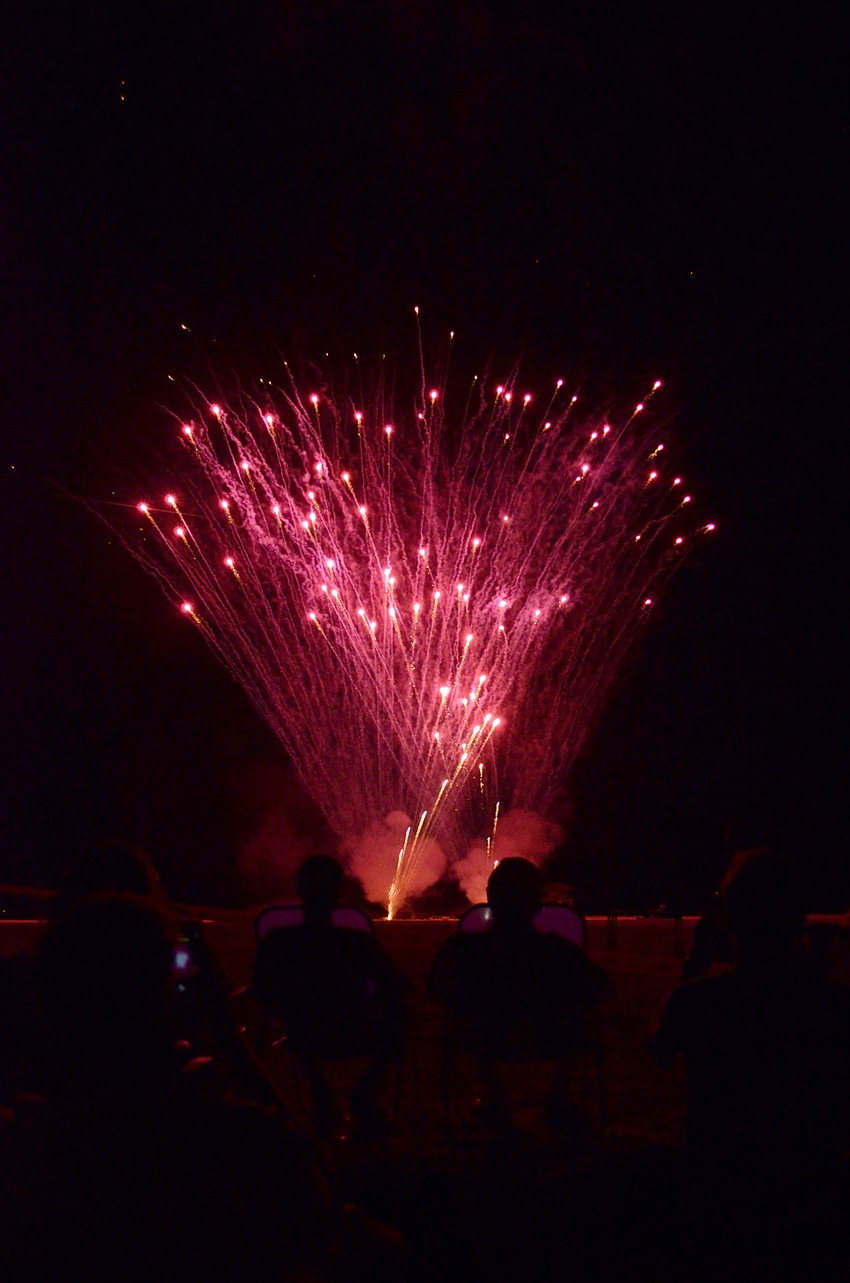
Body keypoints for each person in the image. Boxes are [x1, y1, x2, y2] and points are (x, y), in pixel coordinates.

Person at [0, 894, 334, 1280]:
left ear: (46, 1002)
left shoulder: (23, 1157)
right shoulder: (248, 1145)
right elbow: (318, 1214)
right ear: (167, 1002)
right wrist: (230, 1041)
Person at [650, 848, 850, 1280]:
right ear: (799, 921)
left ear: (729, 923)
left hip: (720, 1188)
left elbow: (660, 1053)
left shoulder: (698, 1003)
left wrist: (694, 967)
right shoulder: (835, 1007)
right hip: (815, 1189)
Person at [427, 858, 609, 1131]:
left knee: (469, 1020)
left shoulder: (463, 948)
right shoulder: (557, 951)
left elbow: (435, 989)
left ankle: (493, 1094)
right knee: (581, 1013)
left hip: (484, 1039)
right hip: (549, 1039)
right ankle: (560, 1095)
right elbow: (602, 988)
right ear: (538, 902)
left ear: (490, 898)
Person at [253, 855, 410, 1139]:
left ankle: (319, 1090)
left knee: (300, 1020)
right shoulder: (357, 941)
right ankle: (366, 1091)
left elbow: (262, 991)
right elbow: (398, 984)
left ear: (300, 890)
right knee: (401, 1022)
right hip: (359, 1030)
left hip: (302, 1035)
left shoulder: (278, 941)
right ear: (337, 891)